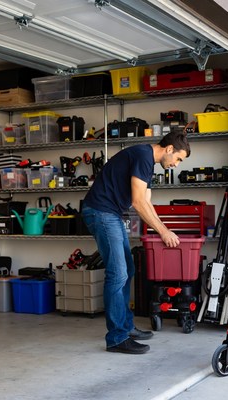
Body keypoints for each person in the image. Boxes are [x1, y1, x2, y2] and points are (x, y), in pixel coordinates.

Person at [82, 131, 191, 354]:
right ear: (169, 149)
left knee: (127, 270)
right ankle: (116, 338)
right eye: (178, 159)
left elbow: (146, 203)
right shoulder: (143, 156)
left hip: (110, 214)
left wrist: (162, 229)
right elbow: (138, 201)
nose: (177, 165)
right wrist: (163, 231)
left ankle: (126, 327)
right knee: (118, 274)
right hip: (101, 212)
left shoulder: (147, 161)